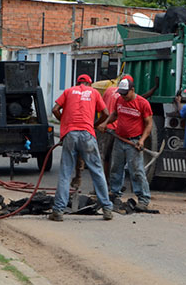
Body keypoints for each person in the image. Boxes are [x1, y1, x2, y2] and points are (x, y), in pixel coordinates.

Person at [49, 74, 112, 222]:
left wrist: (64, 121)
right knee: (97, 172)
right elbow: (106, 113)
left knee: (65, 173)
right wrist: (95, 125)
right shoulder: (94, 92)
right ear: (89, 84)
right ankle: (107, 209)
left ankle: (58, 211)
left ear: (77, 83)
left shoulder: (69, 91)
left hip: (70, 134)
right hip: (87, 134)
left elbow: (55, 109)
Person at [98, 78, 153, 211]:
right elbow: (115, 114)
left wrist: (142, 140)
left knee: (137, 171)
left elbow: (149, 124)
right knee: (115, 168)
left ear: (132, 90)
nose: (123, 96)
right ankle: (115, 193)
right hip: (119, 140)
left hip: (133, 142)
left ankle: (143, 199)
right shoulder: (120, 100)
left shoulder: (142, 103)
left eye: (125, 93)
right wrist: (105, 123)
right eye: (121, 93)